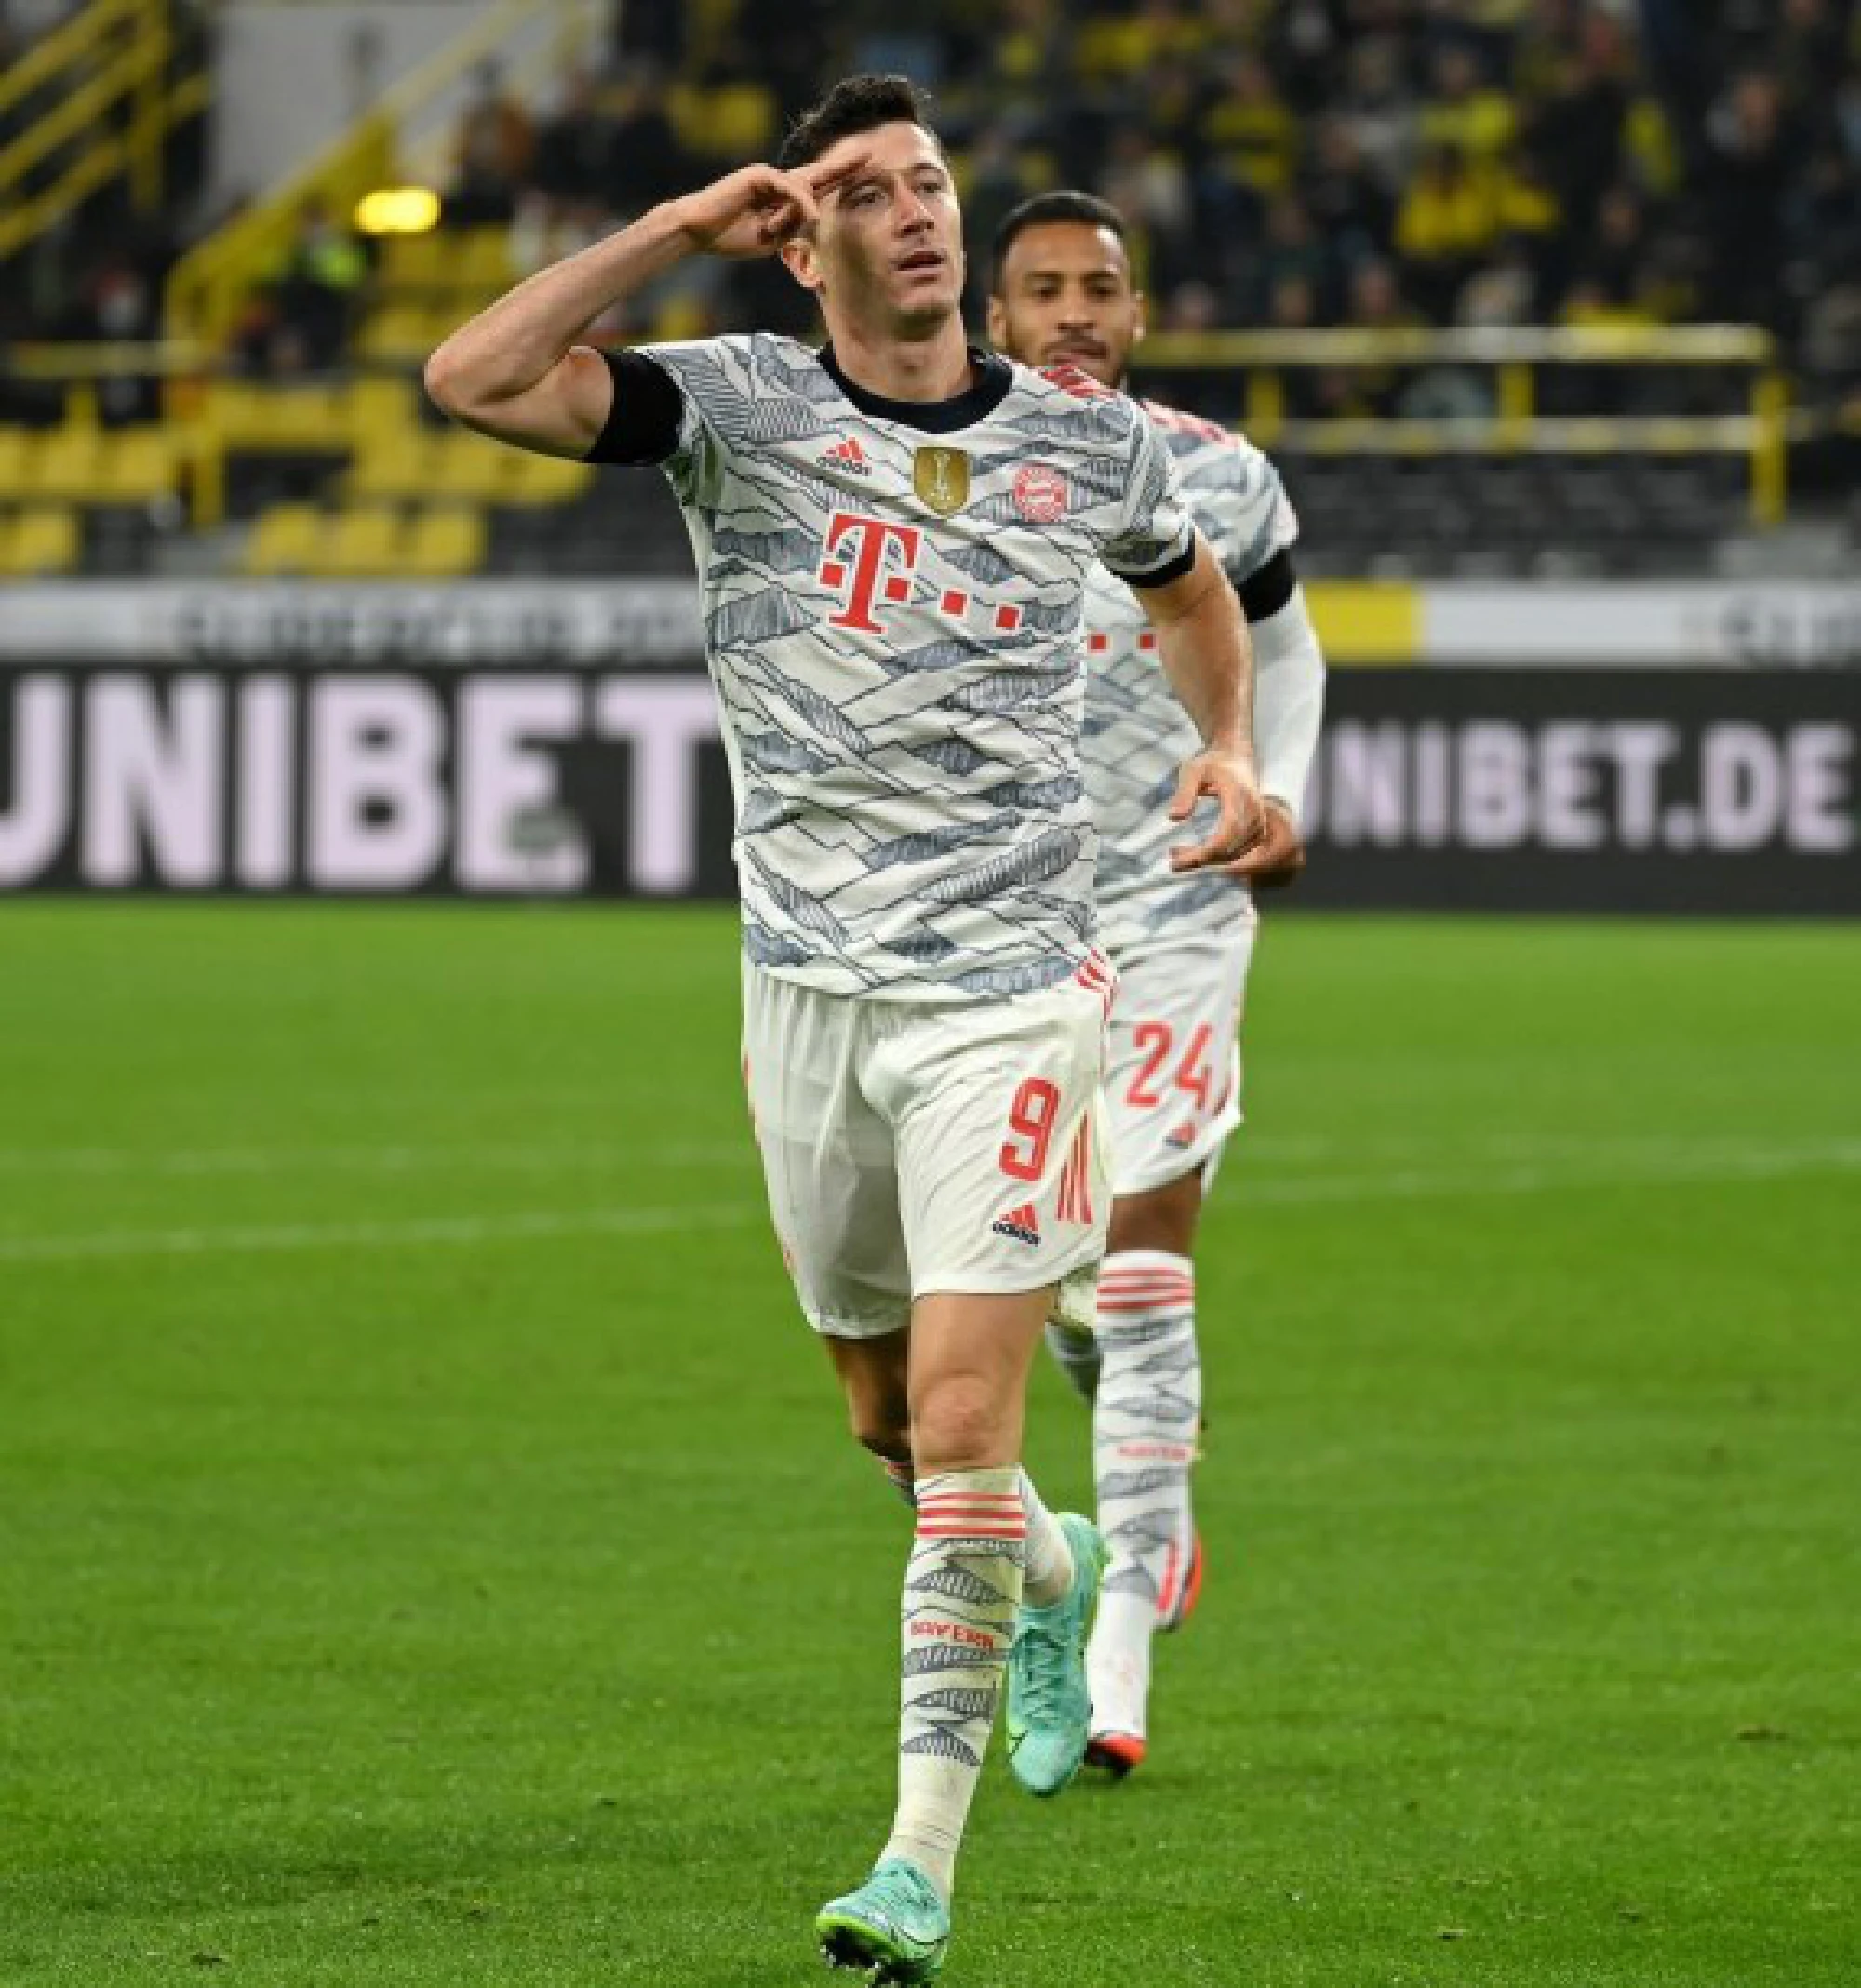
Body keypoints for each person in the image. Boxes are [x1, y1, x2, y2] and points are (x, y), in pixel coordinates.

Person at [424, 75, 1265, 1982]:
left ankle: (914, 1870)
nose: (918, 211)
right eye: (866, 191)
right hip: (805, 993)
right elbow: (471, 378)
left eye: (931, 181)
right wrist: (670, 229)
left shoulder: (1084, 439)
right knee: (887, 1427)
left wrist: (1227, 745)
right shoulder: (735, 409)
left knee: (963, 1419)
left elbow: (1190, 589)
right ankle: (1047, 1565)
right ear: (801, 245)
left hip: (1014, 996)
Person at [987, 189, 1327, 1777]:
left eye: (1099, 287)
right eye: (1043, 287)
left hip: (1181, 893)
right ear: (995, 317)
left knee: (1141, 1241)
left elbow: (1286, 646)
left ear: (1137, 313)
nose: (1074, 312)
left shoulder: (1220, 477)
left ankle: (1124, 1605)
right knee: (1060, 1275)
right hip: (1003, 918)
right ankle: (1134, 1447)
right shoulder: (938, 469)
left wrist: (1268, 785)